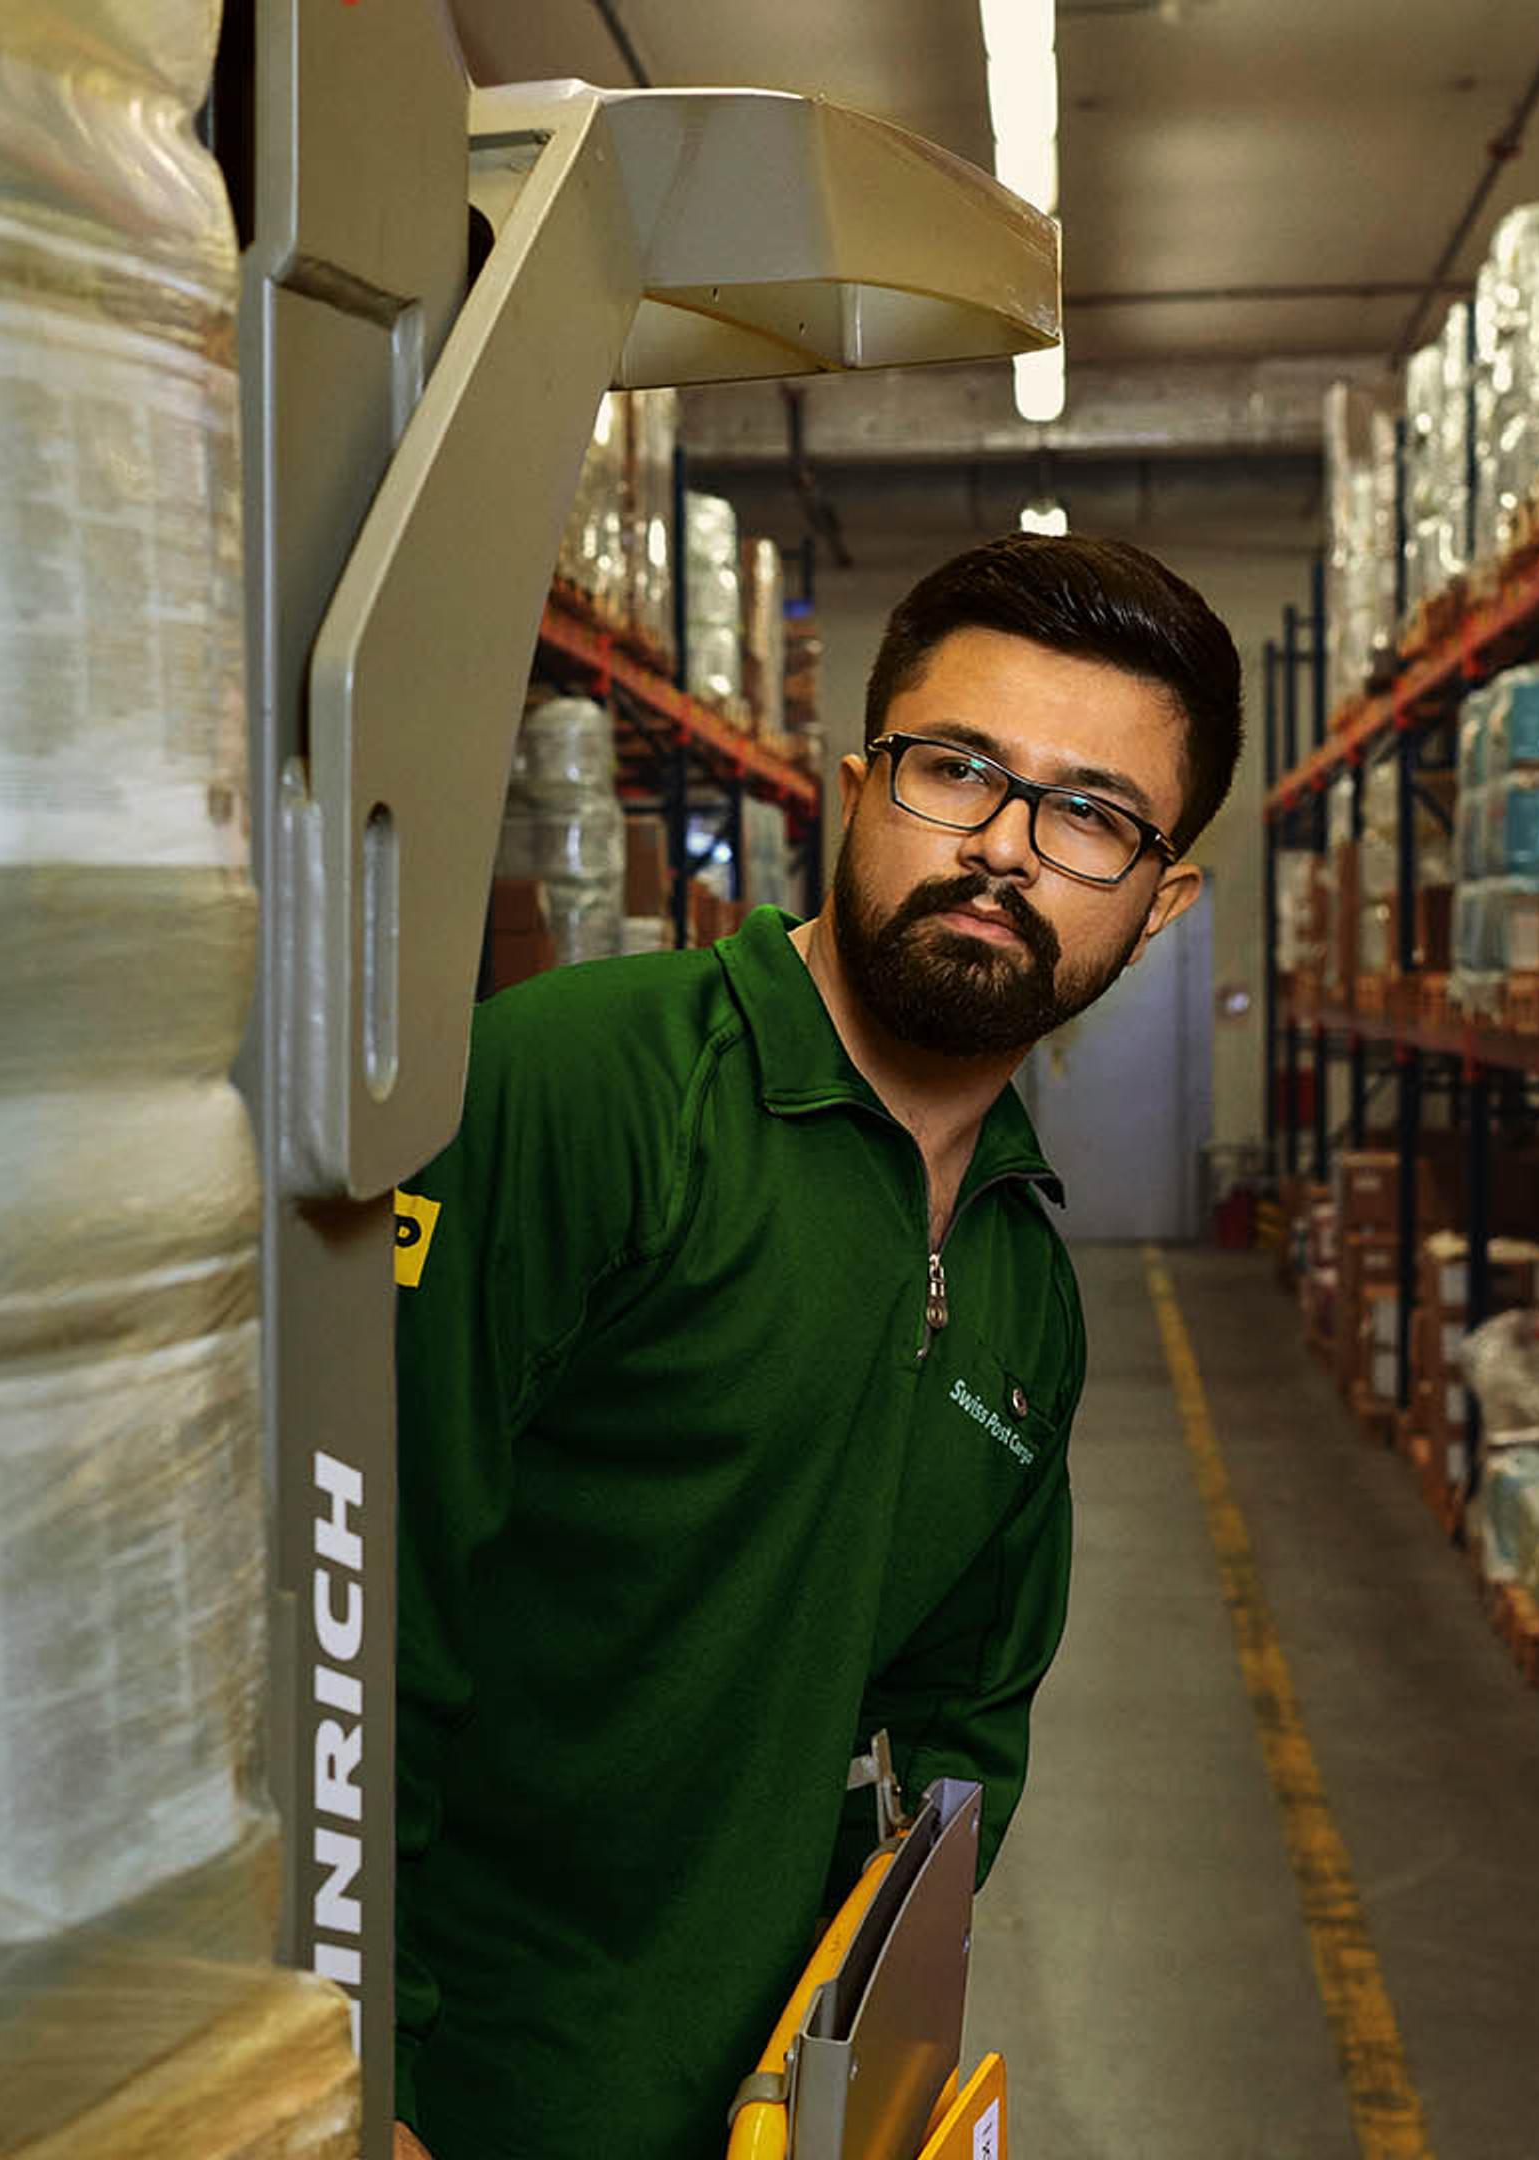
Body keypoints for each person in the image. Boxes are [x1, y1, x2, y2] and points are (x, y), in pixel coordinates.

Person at [387, 534, 1235, 2159]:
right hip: (475, 2093)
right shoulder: (585, 1094)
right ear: (856, 786)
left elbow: (960, 1727)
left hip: (765, 2115)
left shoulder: (1019, 1286)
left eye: (1091, 817)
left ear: (1160, 898)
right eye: (956, 770)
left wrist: (861, 2052)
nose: (1002, 848)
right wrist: (371, 2087)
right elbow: (351, 1619)